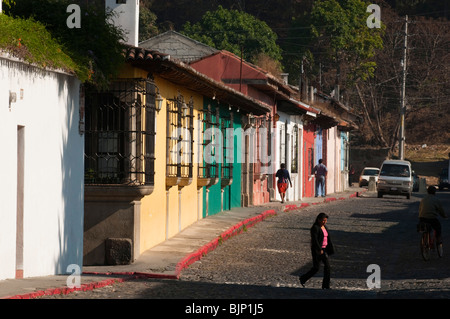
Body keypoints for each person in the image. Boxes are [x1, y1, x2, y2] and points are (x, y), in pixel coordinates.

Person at [300, 213, 334, 289]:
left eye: (325, 220)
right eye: (323, 220)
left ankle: (325, 285)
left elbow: (328, 238)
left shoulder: (325, 227)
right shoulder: (315, 228)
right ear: (318, 220)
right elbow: (315, 240)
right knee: (316, 268)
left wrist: (330, 249)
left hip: (324, 250)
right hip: (317, 250)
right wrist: (319, 249)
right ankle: (303, 278)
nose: (324, 222)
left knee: (327, 267)